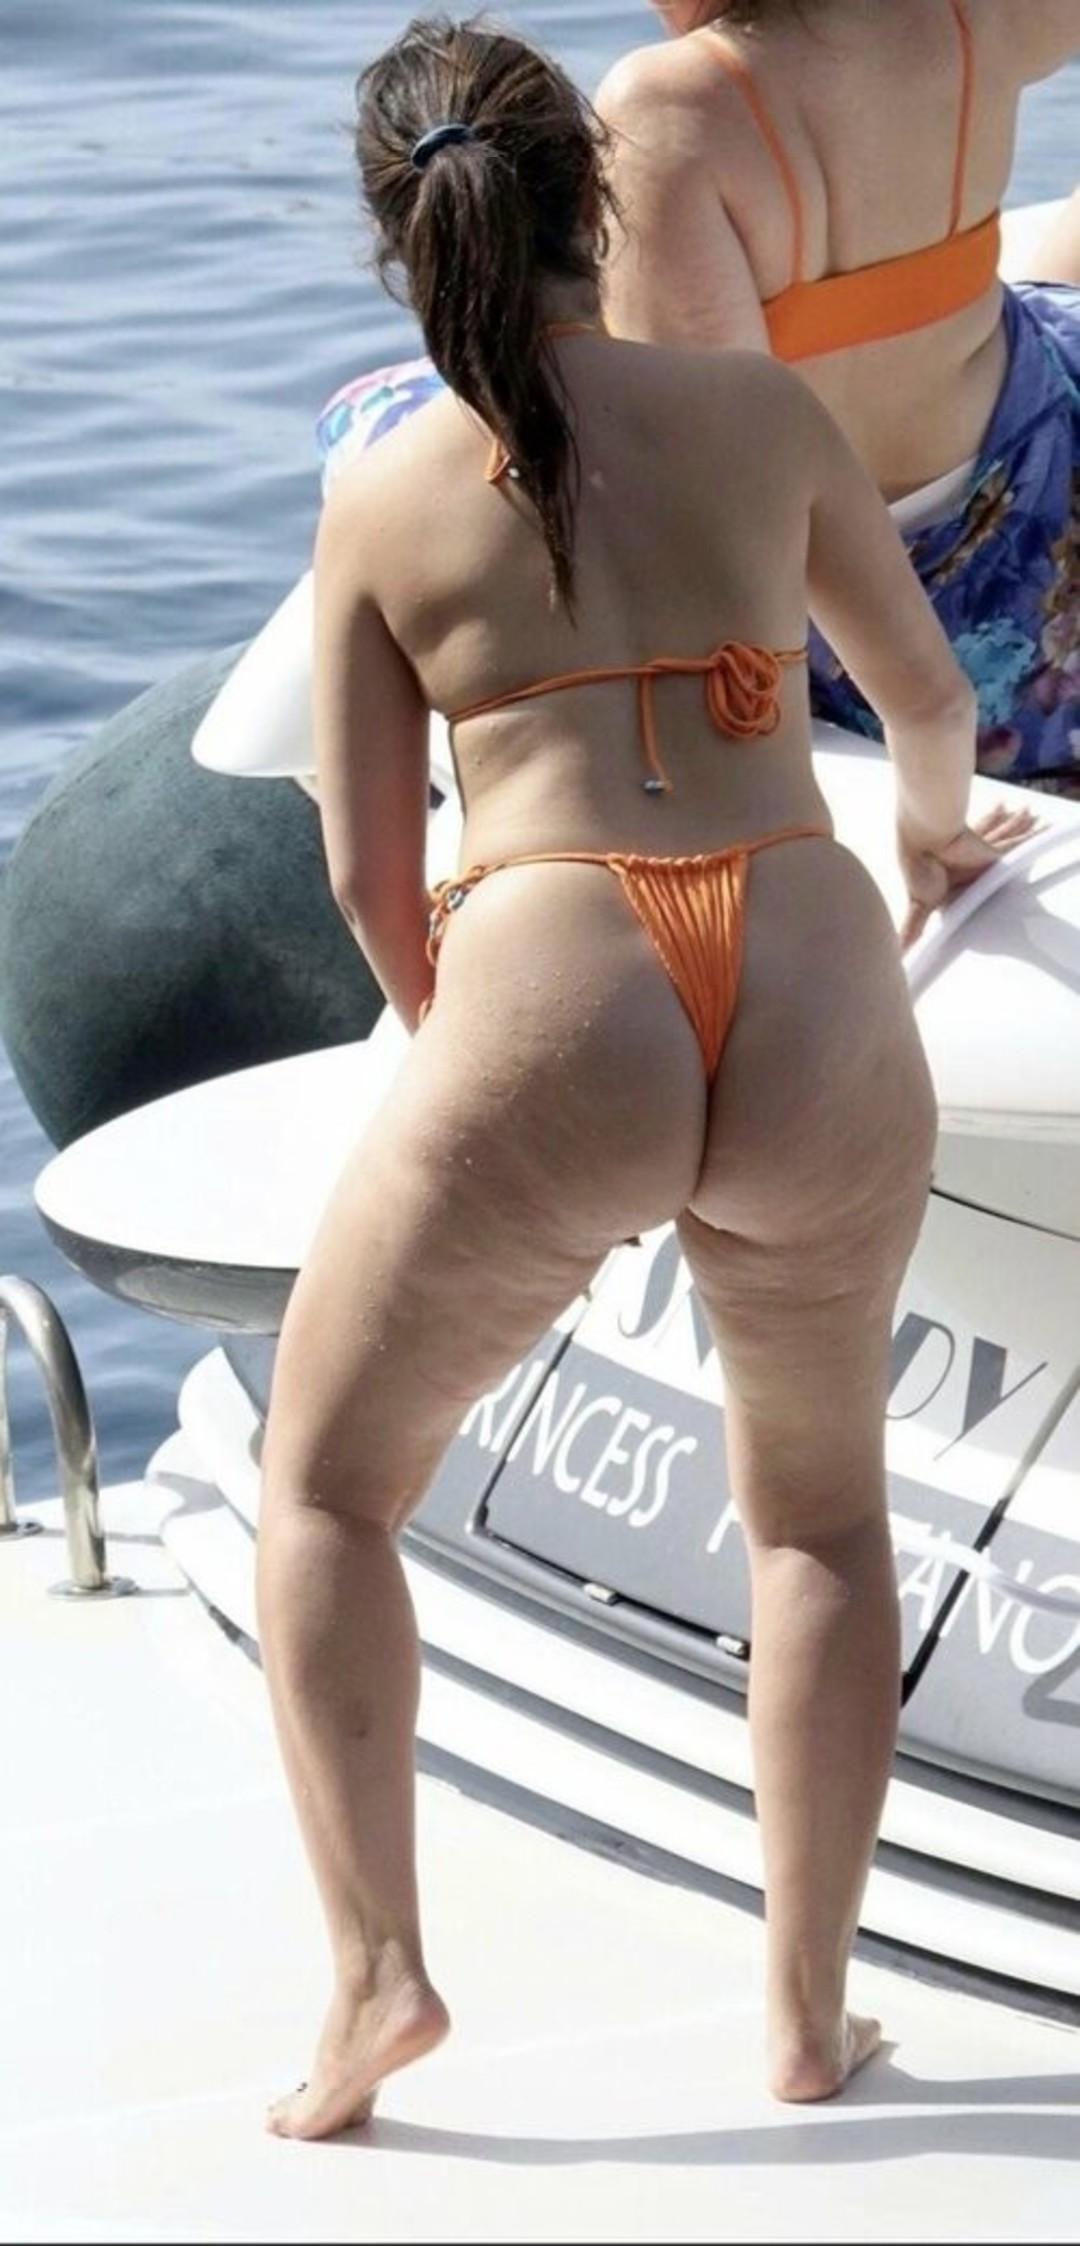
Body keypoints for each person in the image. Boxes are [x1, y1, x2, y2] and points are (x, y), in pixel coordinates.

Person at [255, 13, 1032, 2143]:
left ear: (404, 240)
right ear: (593, 201)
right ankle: (804, 2016)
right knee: (820, 1518)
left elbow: (367, 872)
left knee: (326, 1489)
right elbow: (932, 708)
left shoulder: (382, 499)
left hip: (559, 971)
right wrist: (931, 845)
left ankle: (379, 1983)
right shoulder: (762, 412)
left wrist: (479, 1069)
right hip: (805, 966)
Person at [597, 0, 1080, 790]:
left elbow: (719, 495)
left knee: (410, 421)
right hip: (1050, 548)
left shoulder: (666, 112)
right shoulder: (971, 16)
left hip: (878, 639)